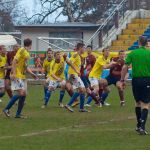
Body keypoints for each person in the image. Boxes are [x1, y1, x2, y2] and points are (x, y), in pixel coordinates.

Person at [120, 36, 150, 135]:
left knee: (137, 103)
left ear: (138, 42)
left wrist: (122, 80)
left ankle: (138, 125)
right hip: (147, 80)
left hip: (136, 80)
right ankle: (142, 127)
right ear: (146, 43)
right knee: (145, 104)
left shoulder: (133, 53)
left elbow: (125, 67)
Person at [3, 38, 38, 118]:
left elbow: (25, 66)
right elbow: (15, 61)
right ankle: (6, 109)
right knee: (21, 93)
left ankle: (18, 114)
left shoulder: (25, 52)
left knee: (24, 94)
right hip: (17, 75)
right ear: (30, 45)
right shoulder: (22, 50)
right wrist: (14, 73)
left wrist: (32, 73)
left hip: (22, 76)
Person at [65, 43, 89, 112]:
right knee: (81, 90)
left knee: (82, 90)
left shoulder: (78, 55)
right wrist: (76, 70)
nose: (85, 49)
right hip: (73, 75)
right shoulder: (76, 55)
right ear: (80, 48)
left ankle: (81, 108)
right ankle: (69, 105)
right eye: (84, 48)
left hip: (75, 75)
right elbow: (69, 62)